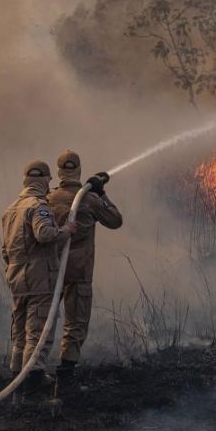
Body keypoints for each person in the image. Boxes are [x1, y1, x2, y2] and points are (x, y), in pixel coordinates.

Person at [47, 150, 123, 383]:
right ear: (78, 170)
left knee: (45, 320)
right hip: (79, 273)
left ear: (59, 172)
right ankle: (66, 375)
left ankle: (35, 370)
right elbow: (116, 220)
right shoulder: (89, 200)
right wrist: (101, 192)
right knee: (76, 322)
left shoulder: (47, 199)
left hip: (51, 271)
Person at [1, 160, 76, 392]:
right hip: (40, 279)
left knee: (20, 332)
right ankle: (33, 383)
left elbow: (5, 250)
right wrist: (65, 231)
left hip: (17, 279)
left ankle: (16, 377)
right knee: (38, 331)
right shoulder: (39, 207)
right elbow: (44, 233)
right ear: (44, 180)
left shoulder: (11, 209)